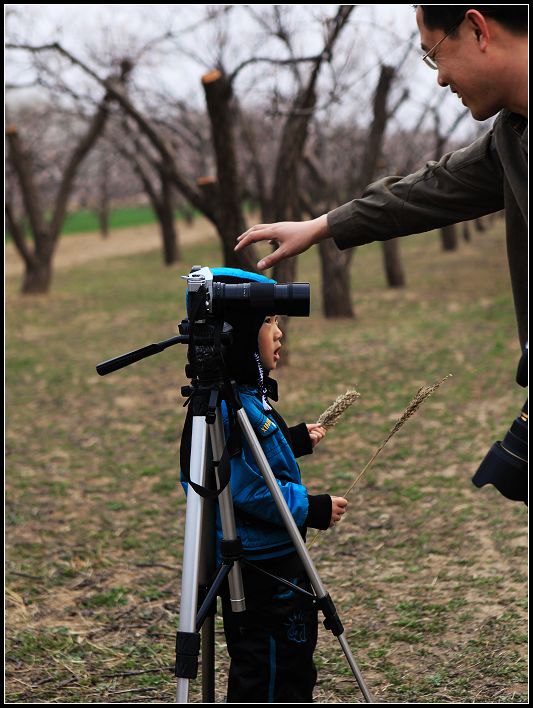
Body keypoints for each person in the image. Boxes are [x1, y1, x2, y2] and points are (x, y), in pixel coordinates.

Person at [235, 5, 528, 504]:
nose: (440, 80)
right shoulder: (513, 135)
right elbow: (433, 189)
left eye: (435, 55)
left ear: (478, 29)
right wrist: (322, 225)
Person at [184, 267, 348, 703]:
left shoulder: (246, 399)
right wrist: (310, 508)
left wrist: (291, 439)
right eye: (270, 323)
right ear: (240, 335)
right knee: (273, 672)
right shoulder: (224, 405)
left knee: (291, 665)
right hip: (262, 566)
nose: (280, 335)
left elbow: (254, 457)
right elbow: (243, 487)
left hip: (271, 557)